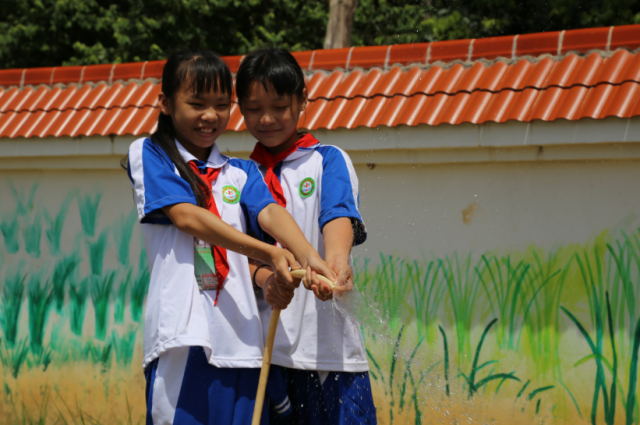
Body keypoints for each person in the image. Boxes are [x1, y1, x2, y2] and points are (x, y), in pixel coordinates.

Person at [126, 49, 336, 425]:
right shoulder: (150, 152)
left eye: (222, 105)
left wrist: (309, 257)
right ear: (165, 102)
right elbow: (187, 218)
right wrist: (269, 253)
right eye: (196, 103)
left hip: (244, 345)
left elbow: (270, 213)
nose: (210, 116)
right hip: (183, 340)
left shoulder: (240, 172)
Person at [236, 48, 377, 424]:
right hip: (264, 356)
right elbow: (238, 256)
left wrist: (336, 263)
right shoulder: (239, 177)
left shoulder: (328, 159)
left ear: (302, 100)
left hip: (330, 353)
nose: (266, 119)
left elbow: (338, 214)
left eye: (280, 106)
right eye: (253, 108)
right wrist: (264, 280)